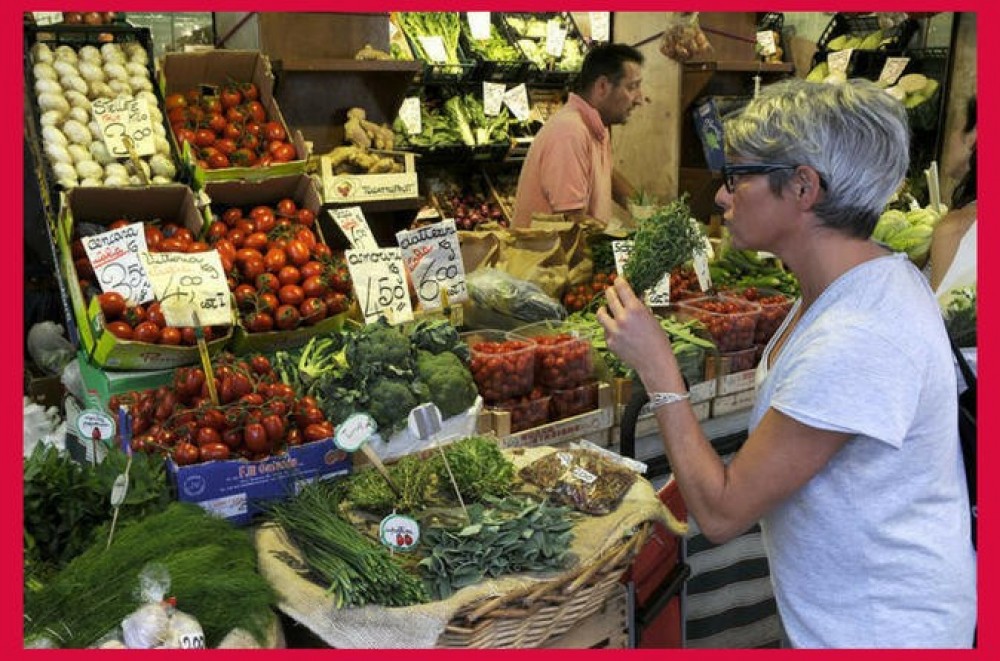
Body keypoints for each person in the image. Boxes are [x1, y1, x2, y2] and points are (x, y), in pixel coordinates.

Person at [597, 79, 976, 648]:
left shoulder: (860, 335)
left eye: (737, 177)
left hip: (883, 632)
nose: (722, 197)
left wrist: (660, 372)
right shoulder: (851, 283)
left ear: (803, 186)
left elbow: (722, 514)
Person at [512, 43, 645, 229]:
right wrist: (626, 238)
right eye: (632, 87)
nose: (639, 99)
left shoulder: (596, 126)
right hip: (547, 257)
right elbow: (572, 221)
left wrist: (648, 212)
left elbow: (606, 174)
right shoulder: (570, 132)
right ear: (602, 87)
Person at [930, 95, 976, 298]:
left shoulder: (956, 231)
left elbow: (939, 326)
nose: (951, 138)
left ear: (973, 137)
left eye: (956, 127)